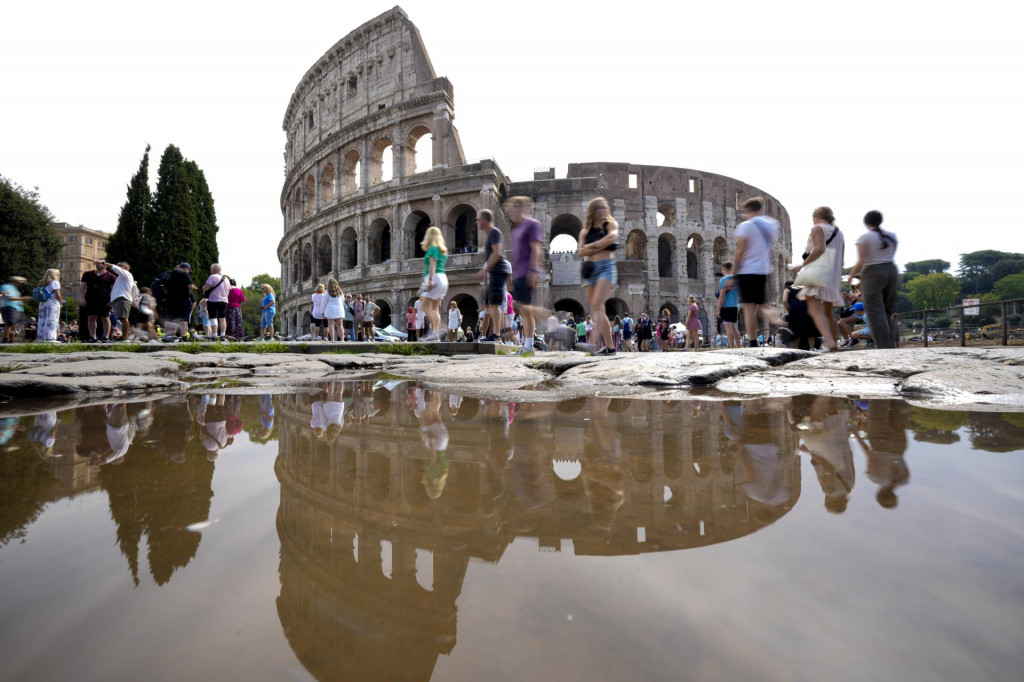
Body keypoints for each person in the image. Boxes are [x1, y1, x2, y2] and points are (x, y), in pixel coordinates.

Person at [791, 206, 845, 352]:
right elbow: (841, 260)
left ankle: (829, 342)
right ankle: (833, 343)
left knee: (814, 308)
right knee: (827, 312)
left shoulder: (817, 228)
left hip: (818, 270)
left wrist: (802, 265)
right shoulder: (839, 233)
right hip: (833, 273)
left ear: (816, 217)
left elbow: (819, 248)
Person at [733, 197, 783, 347]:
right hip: (763, 270)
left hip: (747, 270)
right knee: (762, 305)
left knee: (749, 308)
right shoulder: (772, 224)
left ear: (748, 210)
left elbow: (740, 250)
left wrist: (734, 272)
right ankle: (781, 322)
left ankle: (753, 341)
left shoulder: (745, 226)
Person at [848, 210, 899, 349]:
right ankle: (891, 343)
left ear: (866, 222)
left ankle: (883, 346)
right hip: (892, 270)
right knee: (887, 309)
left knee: (875, 311)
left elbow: (861, 261)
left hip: (873, 272)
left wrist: (851, 276)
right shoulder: (892, 236)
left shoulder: (864, 238)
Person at [577, 197, 619, 355]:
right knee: (598, 307)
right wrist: (600, 245)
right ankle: (610, 347)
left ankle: (592, 343)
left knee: (597, 304)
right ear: (592, 211)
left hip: (606, 268)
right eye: (599, 208)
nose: (602, 210)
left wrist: (590, 247)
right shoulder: (585, 231)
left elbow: (611, 238)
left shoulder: (611, 224)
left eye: (604, 207)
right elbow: (580, 251)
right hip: (590, 269)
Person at [506, 196, 545, 353]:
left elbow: (536, 247)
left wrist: (533, 270)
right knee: (523, 309)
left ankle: (529, 345)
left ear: (520, 208)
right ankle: (528, 343)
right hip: (519, 273)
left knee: (525, 309)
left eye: (512, 209)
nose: (510, 213)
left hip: (528, 271)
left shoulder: (532, 224)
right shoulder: (516, 229)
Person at [476, 208, 512, 341]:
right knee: (490, 304)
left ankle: (496, 334)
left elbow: (497, 252)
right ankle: (495, 333)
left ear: (485, 220)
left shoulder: (494, 232)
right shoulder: (490, 235)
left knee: (495, 304)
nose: (477, 222)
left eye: (479, 219)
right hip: (494, 272)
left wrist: (485, 270)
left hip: (498, 271)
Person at [418, 226, 449, 341]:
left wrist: (430, 280)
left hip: (434, 277)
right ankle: (435, 334)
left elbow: (432, 264)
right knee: (434, 308)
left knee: (423, 305)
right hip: (443, 279)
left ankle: (440, 328)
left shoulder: (432, 248)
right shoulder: (442, 250)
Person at [80, 260, 116, 341]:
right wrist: (82, 298)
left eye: (101, 263)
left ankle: (106, 337)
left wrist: (112, 300)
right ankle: (93, 336)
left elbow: (113, 289)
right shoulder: (87, 274)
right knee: (91, 317)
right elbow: (82, 287)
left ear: (105, 265)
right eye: (97, 263)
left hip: (105, 300)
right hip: (90, 298)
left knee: (105, 318)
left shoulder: (111, 276)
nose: (98, 264)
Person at [163, 263, 197, 338]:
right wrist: (194, 287)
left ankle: (169, 336)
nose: (188, 272)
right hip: (182, 300)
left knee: (171, 318)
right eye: (189, 270)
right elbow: (191, 286)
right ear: (185, 269)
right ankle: (184, 337)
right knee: (183, 319)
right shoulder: (184, 274)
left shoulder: (168, 273)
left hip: (170, 299)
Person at [202, 264, 231, 339]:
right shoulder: (226, 279)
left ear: (214, 269)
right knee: (222, 318)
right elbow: (228, 291)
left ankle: (214, 335)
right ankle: (222, 335)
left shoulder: (213, 277)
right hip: (224, 301)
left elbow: (206, 287)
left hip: (214, 300)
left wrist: (203, 287)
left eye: (211, 269)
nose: (210, 271)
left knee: (213, 318)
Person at [717, 262, 741, 348]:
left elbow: (722, 295)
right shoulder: (735, 279)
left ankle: (731, 347)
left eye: (722, 270)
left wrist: (718, 308)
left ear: (724, 269)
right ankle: (739, 347)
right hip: (735, 306)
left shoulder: (724, 279)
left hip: (726, 306)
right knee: (734, 327)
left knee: (728, 327)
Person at [36, 268, 63, 342]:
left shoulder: (42, 282)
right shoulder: (55, 282)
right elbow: (58, 295)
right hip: (52, 303)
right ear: (54, 274)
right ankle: (50, 338)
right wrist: (60, 303)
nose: (60, 275)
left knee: (42, 320)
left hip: (42, 302)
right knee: (52, 320)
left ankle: (41, 338)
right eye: (59, 273)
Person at [1, 276, 30, 343]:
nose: (20, 284)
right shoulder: (5, 286)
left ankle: (11, 339)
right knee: (10, 323)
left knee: (15, 324)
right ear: (16, 281)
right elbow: (9, 298)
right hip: (9, 307)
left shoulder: (15, 289)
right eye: (20, 282)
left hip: (17, 309)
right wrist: (24, 298)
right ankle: (5, 338)